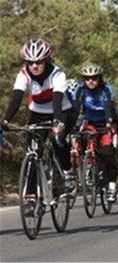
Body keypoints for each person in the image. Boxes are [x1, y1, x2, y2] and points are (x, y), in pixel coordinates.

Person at [1, 38, 77, 193]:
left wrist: (57, 121)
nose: (34, 66)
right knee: (33, 153)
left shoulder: (57, 74)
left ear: (46, 60)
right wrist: (5, 120)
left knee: (58, 139)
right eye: (30, 62)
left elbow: (57, 99)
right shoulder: (23, 74)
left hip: (61, 110)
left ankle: (68, 173)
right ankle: (31, 196)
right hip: (37, 112)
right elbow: (16, 97)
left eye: (39, 62)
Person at [72, 63, 118, 202]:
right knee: (82, 138)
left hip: (106, 121)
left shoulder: (107, 89)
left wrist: (109, 122)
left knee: (108, 153)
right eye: (87, 79)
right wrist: (72, 125)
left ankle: (111, 187)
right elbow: (76, 109)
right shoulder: (80, 89)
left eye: (94, 78)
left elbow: (108, 107)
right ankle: (88, 163)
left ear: (99, 78)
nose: (91, 81)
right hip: (90, 122)